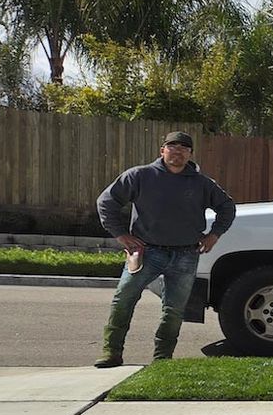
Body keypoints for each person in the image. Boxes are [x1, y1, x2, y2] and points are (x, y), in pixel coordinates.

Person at [94, 131, 237, 367]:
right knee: (123, 298)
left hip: (186, 254)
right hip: (146, 252)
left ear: (190, 153)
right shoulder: (140, 176)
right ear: (162, 150)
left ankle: (162, 359)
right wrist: (121, 234)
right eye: (172, 146)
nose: (177, 150)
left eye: (184, 147)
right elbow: (106, 202)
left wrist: (214, 235)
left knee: (174, 310)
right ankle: (111, 351)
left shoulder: (202, 184)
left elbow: (227, 208)